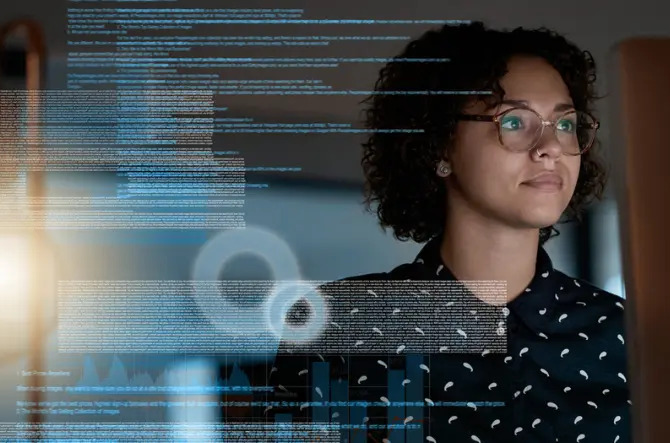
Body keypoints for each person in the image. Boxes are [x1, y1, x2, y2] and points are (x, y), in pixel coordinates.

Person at [251, 21, 631, 443]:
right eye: (514, 122)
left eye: (565, 124)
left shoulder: (630, 337)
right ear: (439, 147)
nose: (551, 147)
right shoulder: (336, 327)